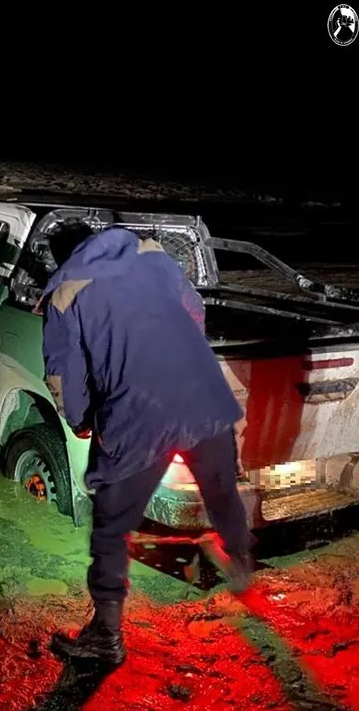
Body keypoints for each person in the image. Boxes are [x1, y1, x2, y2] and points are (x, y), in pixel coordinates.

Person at [41, 219, 254, 667]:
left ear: (63, 254)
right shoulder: (153, 258)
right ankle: (241, 559)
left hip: (138, 418)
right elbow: (194, 310)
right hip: (205, 398)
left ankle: (106, 636)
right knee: (220, 489)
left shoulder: (65, 291)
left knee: (112, 526)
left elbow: (64, 374)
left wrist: (81, 420)